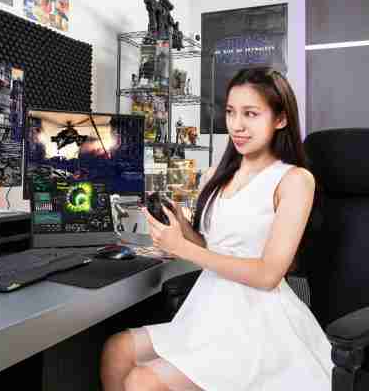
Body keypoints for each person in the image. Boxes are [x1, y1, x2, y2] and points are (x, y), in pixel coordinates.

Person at [100, 67, 333, 390]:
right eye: (231, 112)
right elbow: (214, 249)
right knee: (116, 349)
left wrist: (183, 248)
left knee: (143, 381)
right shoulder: (215, 175)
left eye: (250, 114)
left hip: (256, 321)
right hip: (208, 308)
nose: (236, 125)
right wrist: (182, 227)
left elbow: (268, 275)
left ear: (280, 119)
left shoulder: (294, 180)